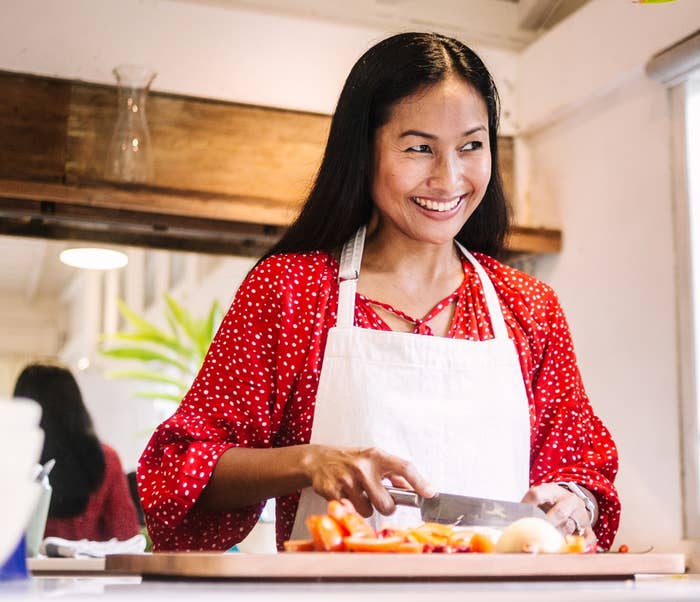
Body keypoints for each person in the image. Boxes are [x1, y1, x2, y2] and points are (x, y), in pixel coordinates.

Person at [138, 32, 620, 552]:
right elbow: (176, 470)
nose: (449, 177)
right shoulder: (293, 292)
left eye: (471, 146)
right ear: (363, 150)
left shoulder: (528, 307)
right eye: (419, 148)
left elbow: (583, 469)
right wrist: (307, 460)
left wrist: (576, 501)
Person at [13, 363, 140, 542]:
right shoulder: (106, 459)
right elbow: (127, 536)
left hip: (15, 568)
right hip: (85, 569)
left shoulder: (10, 457)